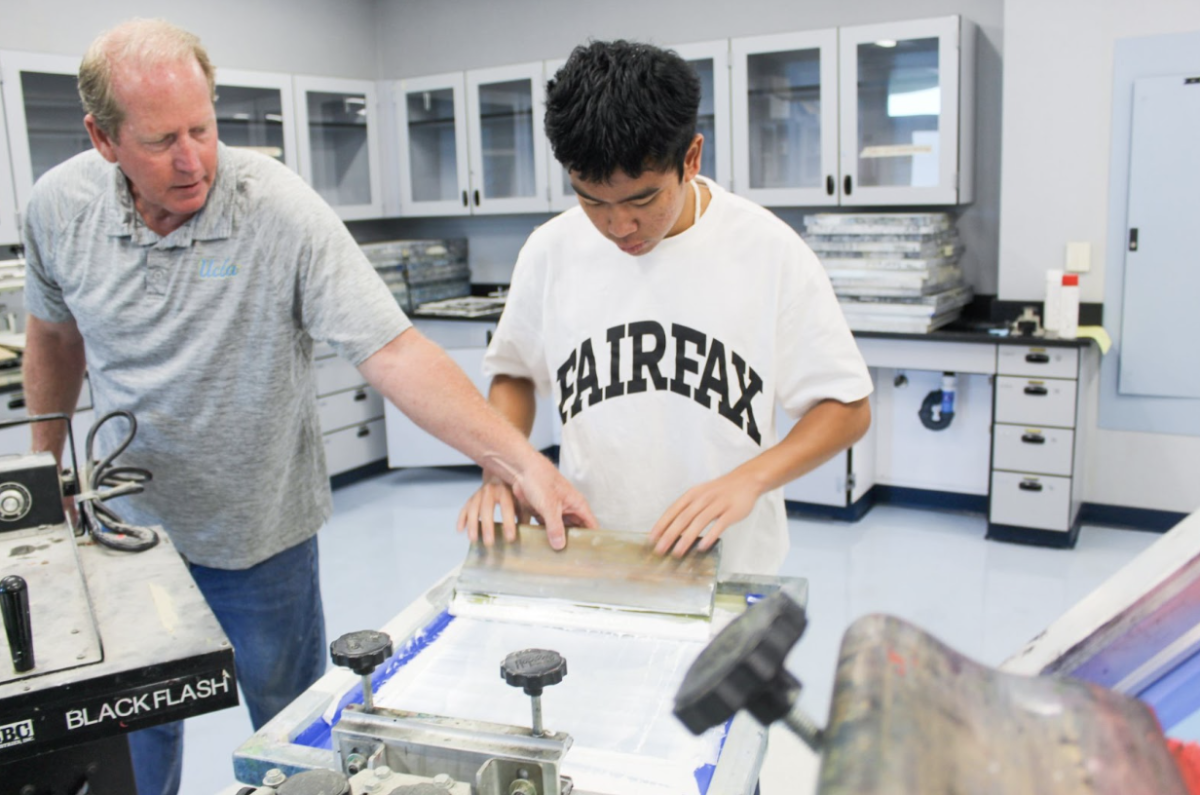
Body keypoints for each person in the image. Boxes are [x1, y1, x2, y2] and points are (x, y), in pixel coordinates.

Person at [22, 19, 595, 795]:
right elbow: (54, 340)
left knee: (293, 732)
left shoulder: (276, 208)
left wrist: (522, 460)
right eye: (161, 141)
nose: (194, 159)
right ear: (102, 137)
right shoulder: (59, 209)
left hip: (263, 534)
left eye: (203, 127)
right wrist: (39, 474)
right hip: (130, 536)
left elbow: (392, 349)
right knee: (136, 731)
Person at [459, 39, 872, 577]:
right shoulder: (549, 250)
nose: (618, 226)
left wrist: (750, 479)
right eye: (591, 200)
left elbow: (845, 409)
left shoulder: (768, 249)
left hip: (730, 565)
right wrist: (502, 473)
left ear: (691, 158)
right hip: (593, 554)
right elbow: (513, 373)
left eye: (642, 200)